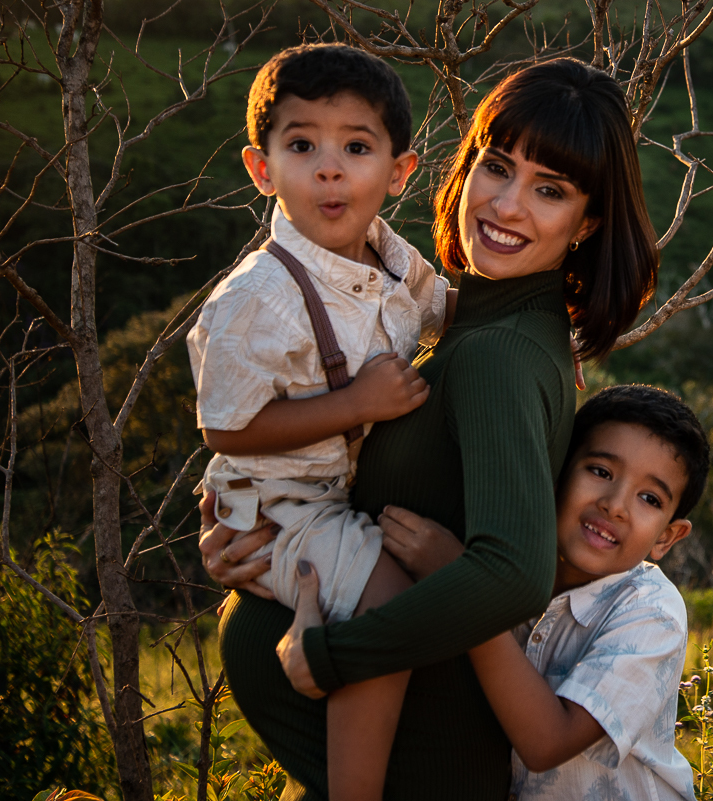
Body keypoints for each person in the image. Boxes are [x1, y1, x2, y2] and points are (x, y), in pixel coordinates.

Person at [199, 56, 659, 800]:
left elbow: (513, 572)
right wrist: (258, 515)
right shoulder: (477, 321)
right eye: (496, 167)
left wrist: (341, 654)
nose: (507, 206)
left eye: (549, 191)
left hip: (418, 769)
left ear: (588, 220)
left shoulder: (500, 353)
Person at [188, 44, 451, 801]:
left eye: (356, 147)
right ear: (262, 168)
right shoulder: (253, 301)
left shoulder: (392, 256)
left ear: (397, 173)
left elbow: (447, 311)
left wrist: (541, 331)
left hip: (338, 493)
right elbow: (226, 428)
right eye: (302, 145)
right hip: (281, 508)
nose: (329, 169)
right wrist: (354, 406)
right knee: (394, 608)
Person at [377, 384, 709, 800]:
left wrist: (463, 586)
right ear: (554, 469)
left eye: (649, 498)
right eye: (601, 472)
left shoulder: (651, 611)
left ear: (667, 538)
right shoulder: (507, 559)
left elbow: (548, 743)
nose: (615, 505)